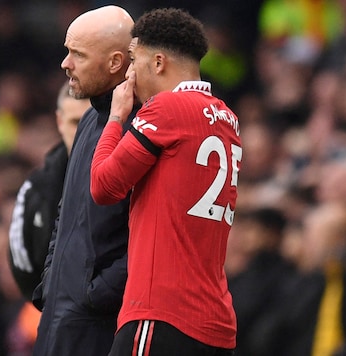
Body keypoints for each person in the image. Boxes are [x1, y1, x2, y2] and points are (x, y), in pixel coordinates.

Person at [90, 8, 241, 355]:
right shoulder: (228, 120)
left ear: (158, 63)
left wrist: (116, 117)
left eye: (133, 59)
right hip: (215, 325)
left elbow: (103, 186)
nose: (129, 72)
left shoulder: (167, 109)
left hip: (161, 314)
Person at [31, 5, 136, 356]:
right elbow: (68, 208)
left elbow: (148, 231)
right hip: (62, 314)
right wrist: (50, 281)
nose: (66, 63)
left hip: (100, 325)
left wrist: (95, 294)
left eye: (77, 54)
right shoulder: (90, 119)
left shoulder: (142, 128)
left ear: (115, 62)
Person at [8, 82, 91, 301]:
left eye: (89, 121)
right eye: (75, 123)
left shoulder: (127, 177)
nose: (83, 132)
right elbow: (22, 265)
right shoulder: (36, 189)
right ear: (59, 121)